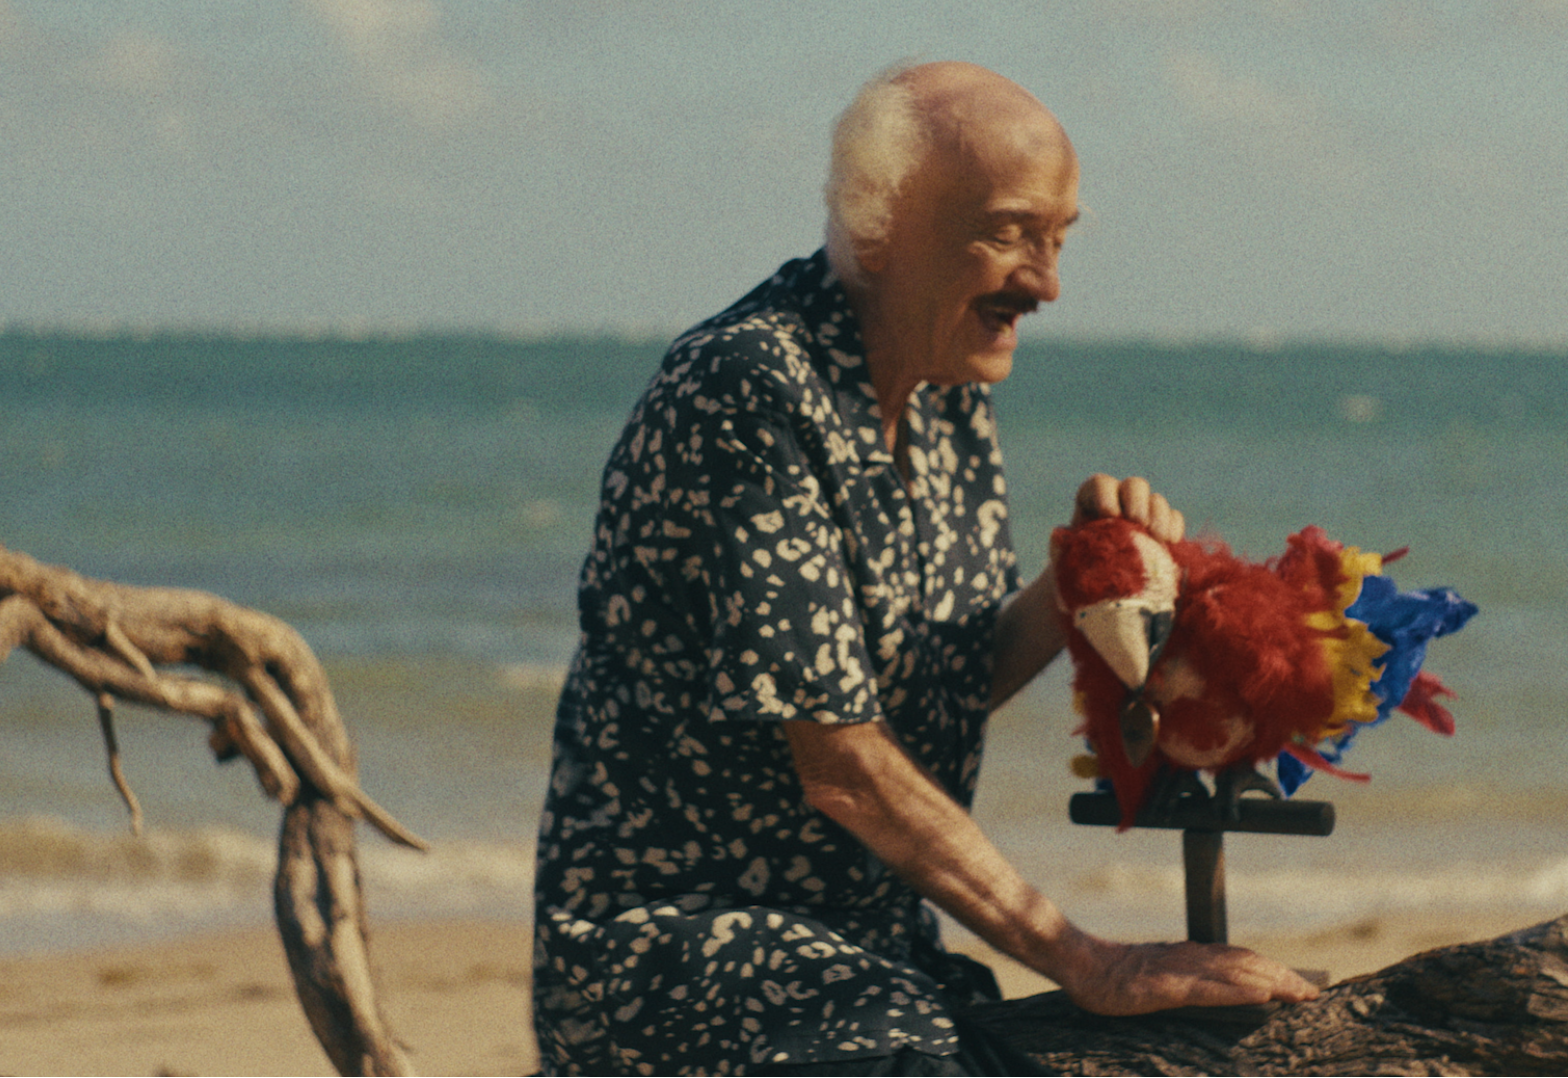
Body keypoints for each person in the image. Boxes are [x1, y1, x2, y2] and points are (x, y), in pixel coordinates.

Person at [531, 60, 1318, 1075]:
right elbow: (844, 766)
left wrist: (1075, 584)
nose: (1046, 282)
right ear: (876, 227)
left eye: (1060, 238)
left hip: (874, 947)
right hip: (675, 947)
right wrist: (1087, 960)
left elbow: (931, 691)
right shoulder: (747, 387)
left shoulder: (946, 390)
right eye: (1009, 233)